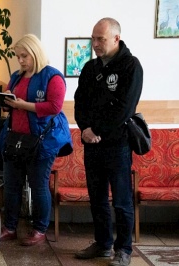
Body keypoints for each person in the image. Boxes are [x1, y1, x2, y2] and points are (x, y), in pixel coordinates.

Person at [0, 34, 72, 246]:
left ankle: (39, 229)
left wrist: (22, 105)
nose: (21, 60)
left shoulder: (52, 77)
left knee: (38, 186)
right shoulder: (17, 76)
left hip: (41, 141)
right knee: (12, 186)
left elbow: (54, 107)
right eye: (18, 57)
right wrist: (7, 103)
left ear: (35, 52)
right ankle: (10, 227)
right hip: (15, 140)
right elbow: (12, 103)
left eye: (24, 56)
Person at [74, 17, 143, 266]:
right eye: (93, 38)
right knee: (97, 198)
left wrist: (98, 130)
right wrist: (85, 129)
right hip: (92, 145)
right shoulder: (90, 68)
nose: (95, 44)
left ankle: (123, 249)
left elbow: (125, 108)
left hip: (117, 146)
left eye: (100, 39)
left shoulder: (131, 66)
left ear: (116, 38)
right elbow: (79, 102)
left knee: (122, 201)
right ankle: (102, 244)